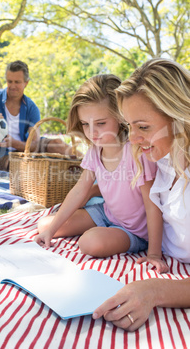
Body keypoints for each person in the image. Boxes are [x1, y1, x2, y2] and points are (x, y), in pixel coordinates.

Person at [92, 58, 190, 331]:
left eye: (143, 127)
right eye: (129, 126)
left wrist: (155, 291)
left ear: (179, 118)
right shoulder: (164, 158)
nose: (132, 139)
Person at [34, 74, 168, 267]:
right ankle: (89, 227)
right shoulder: (95, 150)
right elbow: (80, 190)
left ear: (121, 117)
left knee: (90, 243)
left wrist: (154, 253)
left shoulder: (136, 152)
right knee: (45, 225)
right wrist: (51, 231)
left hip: (135, 230)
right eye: (85, 124)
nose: (92, 132)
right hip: (106, 214)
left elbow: (152, 203)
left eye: (101, 123)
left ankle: (114, 235)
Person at [0, 60, 78, 171]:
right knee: (30, 166)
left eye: (17, 82)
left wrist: (14, 143)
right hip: (3, 157)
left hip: (26, 148)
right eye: (10, 81)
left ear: (26, 83)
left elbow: (35, 144)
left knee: (57, 144)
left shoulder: (31, 107)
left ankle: (89, 164)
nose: (12, 86)